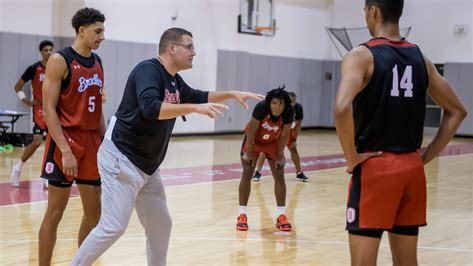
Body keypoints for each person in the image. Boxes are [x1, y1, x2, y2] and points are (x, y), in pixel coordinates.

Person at [70, 27, 263, 266]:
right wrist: (193, 108)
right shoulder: (148, 70)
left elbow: (199, 95)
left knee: (161, 223)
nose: (194, 52)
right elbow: (150, 108)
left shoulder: (174, 81)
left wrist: (232, 94)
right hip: (121, 158)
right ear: (172, 48)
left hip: (148, 168)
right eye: (189, 47)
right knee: (113, 226)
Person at [333, 1, 467, 265]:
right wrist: (427, 156)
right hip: (411, 169)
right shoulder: (421, 58)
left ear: (373, 11)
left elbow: (340, 108)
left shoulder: (361, 55)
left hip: (375, 167)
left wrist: (351, 158)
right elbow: (457, 111)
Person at [38, 7, 106, 266]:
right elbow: (48, 109)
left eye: (103, 31)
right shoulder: (60, 60)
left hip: (92, 142)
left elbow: (97, 108)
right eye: (97, 31)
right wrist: (65, 150)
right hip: (65, 139)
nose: (102, 37)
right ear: (82, 30)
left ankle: (81, 262)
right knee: (55, 212)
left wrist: (106, 143)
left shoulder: (98, 61)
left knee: (94, 212)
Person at [236, 87, 294, 232]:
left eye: (281, 104)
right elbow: (251, 130)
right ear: (269, 103)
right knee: (247, 173)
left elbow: (284, 135)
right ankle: (242, 215)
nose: (278, 107)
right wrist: (249, 153)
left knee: (279, 175)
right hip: (254, 140)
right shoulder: (261, 107)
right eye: (275, 103)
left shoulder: (288, 112)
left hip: (273, 142)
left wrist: (280, 155)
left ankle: (281, 215)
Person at [10, 40, 54, 189]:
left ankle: (48, 175)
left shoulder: (57, 68)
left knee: (53, 143)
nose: (49, 52)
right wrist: (26, 100)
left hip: (54, 110)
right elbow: (18, 87)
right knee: (36, 142)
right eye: (46, 50)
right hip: (40, 110)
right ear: (41, 52)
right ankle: (17, 168)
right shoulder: (34, 68)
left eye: (50, 50)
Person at [252, 91, 309, 182]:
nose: (291, 103)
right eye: (290, 101)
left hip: (288, 131)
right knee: (265, 150)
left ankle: (299, 173)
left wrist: (294, 139)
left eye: (293, 101)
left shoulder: (297, 108)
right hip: (276, 129)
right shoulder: (280, 107)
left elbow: (298, 125)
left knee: (293, 149)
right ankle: (258, 172)